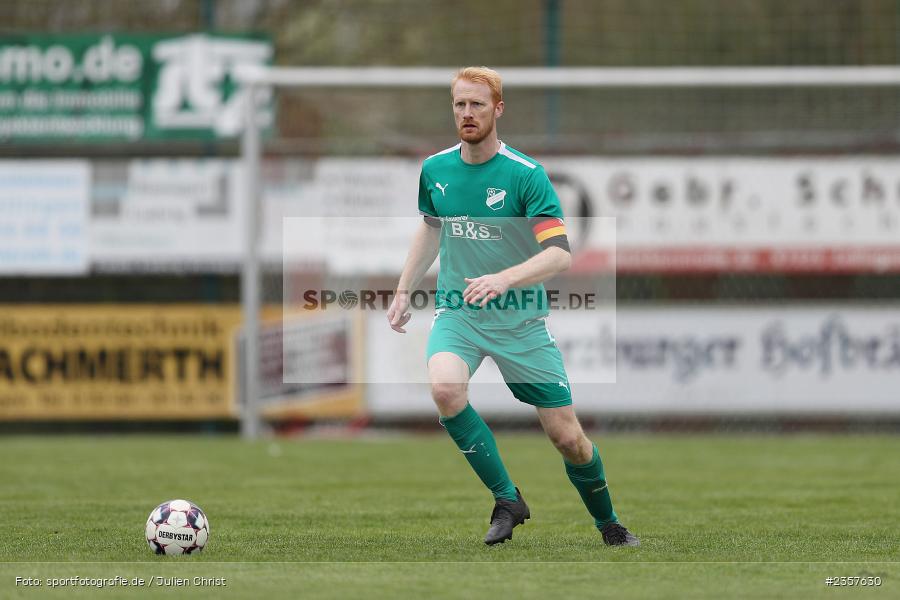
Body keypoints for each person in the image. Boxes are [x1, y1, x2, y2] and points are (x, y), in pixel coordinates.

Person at [387, 66, 639, 547]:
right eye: (460, 104)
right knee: (444, 389)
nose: (467, 113)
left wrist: (505, 278)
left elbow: (559, 253)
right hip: (459, 313)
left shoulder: (525, 175)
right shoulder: (435, 169)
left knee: (568, 438)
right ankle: (508, 499)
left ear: (497, 109)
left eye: (477, 104)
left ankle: (609, 524)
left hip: (521, 321)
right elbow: (431, 226)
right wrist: (404, 288)